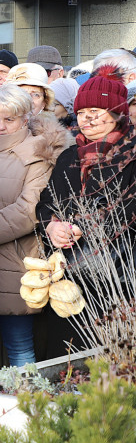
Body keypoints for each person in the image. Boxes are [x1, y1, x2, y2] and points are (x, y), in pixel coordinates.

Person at [0, 85, 67, 367]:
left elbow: (28, 210)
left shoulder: (38, 154)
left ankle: (26, 407)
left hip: (15, 259)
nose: (0, 126)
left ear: (25, 118)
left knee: (19, 346)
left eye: (9, 119)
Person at [37, 67, 136, 286]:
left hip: (122, 274)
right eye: (81, 112)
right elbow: (47, 201)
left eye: (95, 111)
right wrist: (52, 226)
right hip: (71, 274)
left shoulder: (131, 152)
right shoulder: (69, 155)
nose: (86, 119)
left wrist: (84, 226)